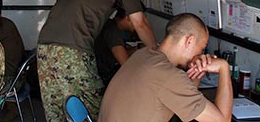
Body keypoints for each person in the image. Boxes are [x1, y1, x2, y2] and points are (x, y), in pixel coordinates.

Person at [37, 0, 157, 121]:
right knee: (95, 107)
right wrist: (157, 54)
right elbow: (140, 23)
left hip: (43, 49)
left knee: (55, 109)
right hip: (72, 51)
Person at [99, 13, 232, 122]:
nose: (201, 54)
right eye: (201, 48)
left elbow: (183, 99)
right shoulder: (169, 76)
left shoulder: (143, 55)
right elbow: (222, 120)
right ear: (189, 41)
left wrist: (198, 70)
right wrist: (224, 67)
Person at [94, 9, 136, 87]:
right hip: (103, 75)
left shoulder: (108, 23)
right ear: (128, 18)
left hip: (99, 69)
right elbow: (124, 62)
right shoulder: (113, 30)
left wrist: (136, 49)